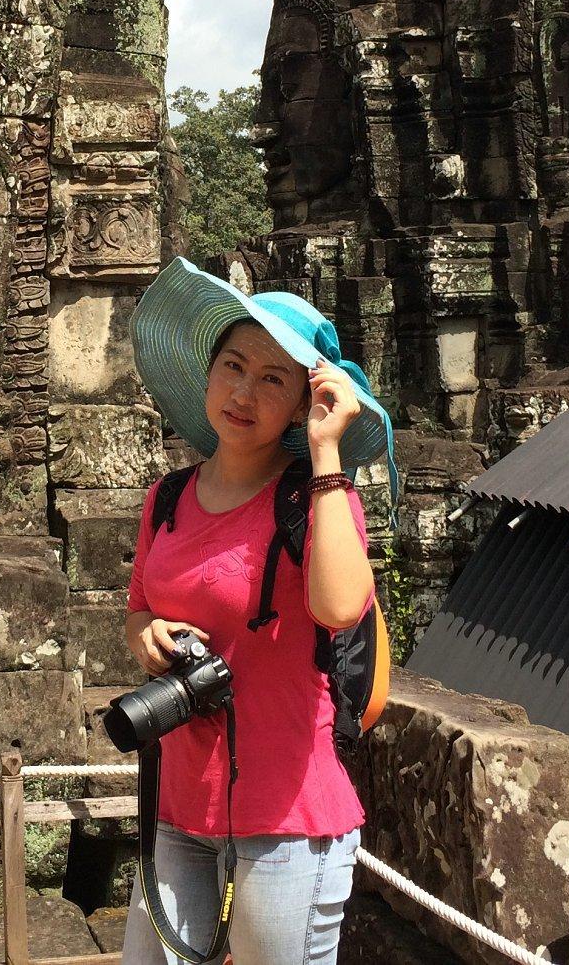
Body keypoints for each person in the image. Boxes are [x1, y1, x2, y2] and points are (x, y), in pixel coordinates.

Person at [120, 257, 396, 965]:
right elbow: (140, 609)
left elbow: (340, 607)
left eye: (273, 378)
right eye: (234, 366)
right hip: (179, 805)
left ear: (302, 402)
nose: (244, 391)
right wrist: (147, 637)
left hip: (287, 814)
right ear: (208, 373)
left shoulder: (317, 499)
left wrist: (326, 450)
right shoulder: (167, 498)